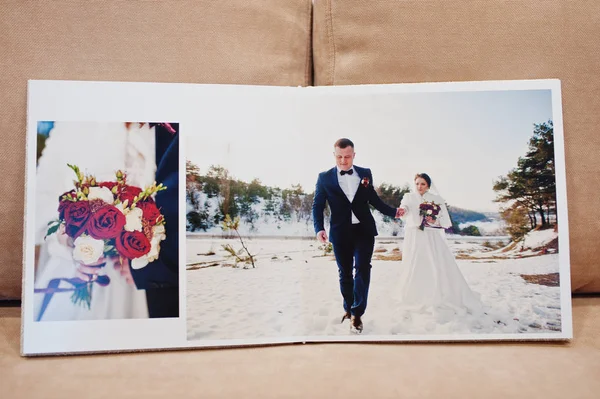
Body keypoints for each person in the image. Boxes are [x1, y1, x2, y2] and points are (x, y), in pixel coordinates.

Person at [312, 138, 403, 333]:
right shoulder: (324, 178)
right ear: (334, 155)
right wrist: (319, 228)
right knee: (344, 273)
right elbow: (318, 205)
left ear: (354, 155)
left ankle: (357, 313)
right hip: (339, 231)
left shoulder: (365, 174)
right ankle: (348, 308)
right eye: (339, 157)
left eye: (347, 157)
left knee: (362, 267)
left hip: (364, 230)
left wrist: (394, 212)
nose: (343, 161)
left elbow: (374, 200)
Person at [395, 173, 483, 314]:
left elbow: (445, 222)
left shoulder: (436, 199)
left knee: (434, 263)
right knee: (415, 263)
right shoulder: (408, 197)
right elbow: (404, 209)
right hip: (414, 235)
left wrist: (433, 220)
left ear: (428, 185)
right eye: (417, 183)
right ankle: (414, 294)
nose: (419, 187)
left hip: (431, 236)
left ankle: (438, 293)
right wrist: (403, 210)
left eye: (423, 184)